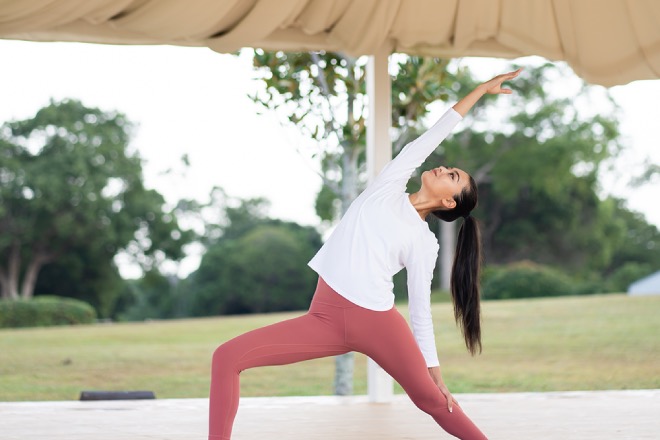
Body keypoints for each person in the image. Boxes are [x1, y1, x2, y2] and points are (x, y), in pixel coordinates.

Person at [208, 68, 522, 440]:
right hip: (323, 317)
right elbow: (435, 132)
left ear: (448, 200)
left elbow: (420, 308)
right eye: (450, 167)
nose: (443, 166)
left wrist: (433, 368)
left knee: (432, 401)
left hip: (377, 323)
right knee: (226, 358)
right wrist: (480, 92)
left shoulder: (424, 242)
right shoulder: (389, 184)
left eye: (451, 175)